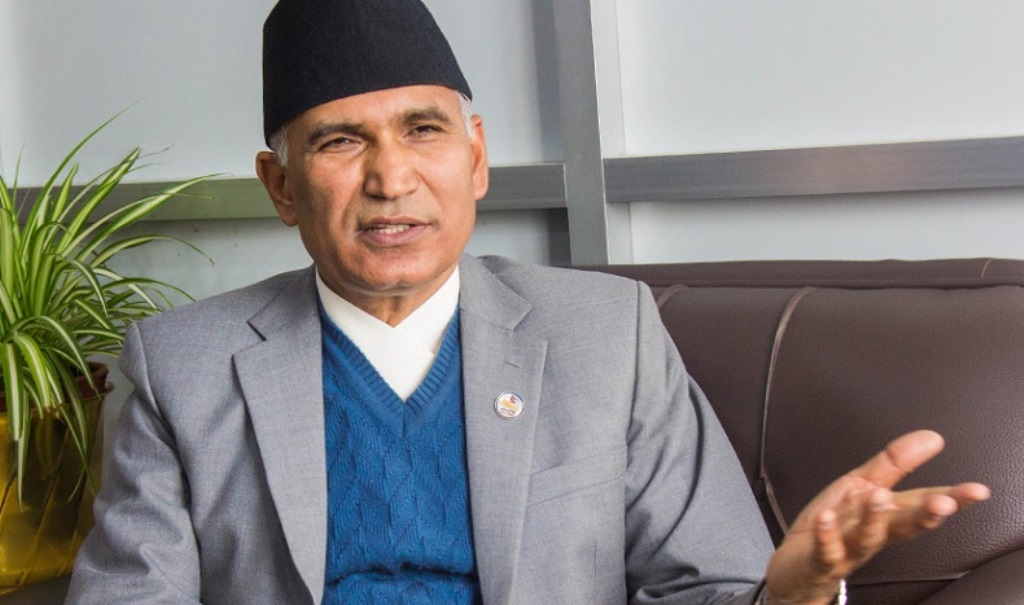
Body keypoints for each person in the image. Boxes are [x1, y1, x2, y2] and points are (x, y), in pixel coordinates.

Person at [66, 1, 990, 603]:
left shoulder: (609, 335)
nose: (391, 178)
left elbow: (709, 585)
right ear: (281, 186)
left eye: (422, 130)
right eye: (341, 142)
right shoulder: (180, 365)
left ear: (475, 158)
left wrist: (793, 590)